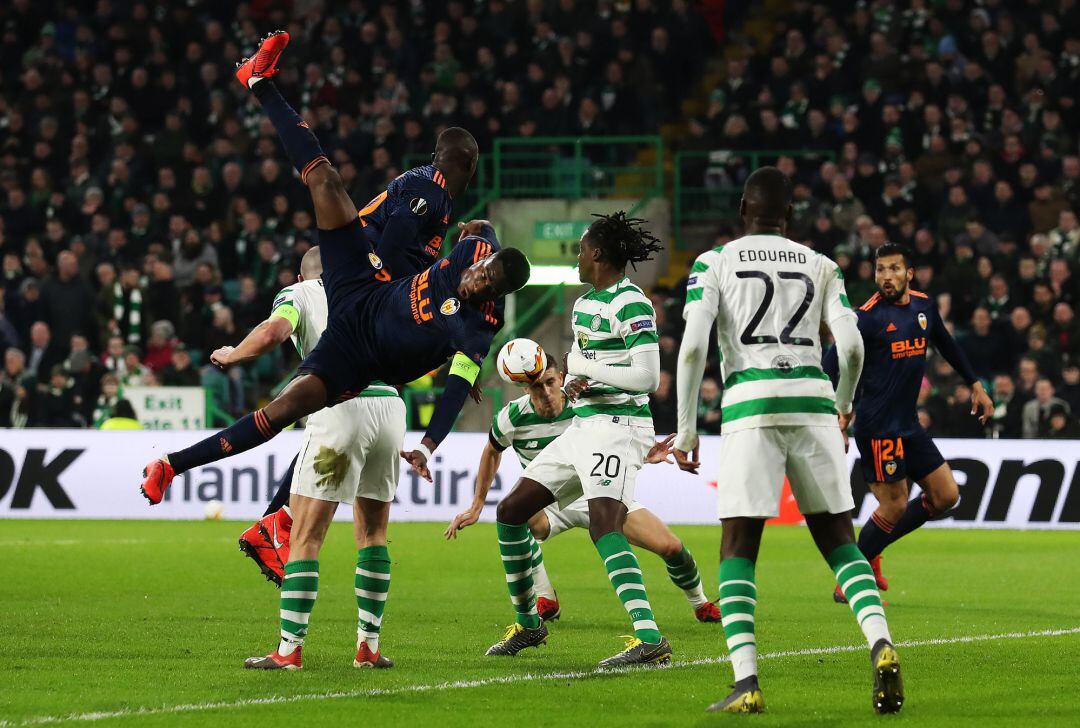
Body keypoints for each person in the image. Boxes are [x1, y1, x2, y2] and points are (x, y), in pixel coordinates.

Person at [137, 32, 530, 670]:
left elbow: (458, 380)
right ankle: (259, 82)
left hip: (360, 357)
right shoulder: (457, 228)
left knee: (286, 413)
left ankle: (296, 596)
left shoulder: (476, 325)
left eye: (486, 281)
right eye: (480, 268)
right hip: (363, 284)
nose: (476, 275)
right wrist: (466, 237)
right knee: (323, 180)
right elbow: (474, 234)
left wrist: (431, 442)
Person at [238, 35, 482, 573]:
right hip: (360, 290)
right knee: (340, 397)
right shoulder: (433, 192)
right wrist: (400, 297)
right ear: (467, 163)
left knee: (334, 398)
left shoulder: (429, 191)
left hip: (364, 291)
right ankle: (278, 523)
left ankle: (274, 520)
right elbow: (392, 245)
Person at [674, 166, 902, 714]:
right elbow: (850, 347)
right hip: (814, 401)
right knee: (839, 540)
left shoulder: (715, 261)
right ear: (791, 215)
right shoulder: (821, 264)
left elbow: (690, 349)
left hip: (752, 404)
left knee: (739, 545)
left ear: (742, 212)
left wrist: (685, 430)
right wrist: (843, 406)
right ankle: (881, 643)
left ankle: (746, 681)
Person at [485, 212, 671, 669]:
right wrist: (573, 383)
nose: (578, 258)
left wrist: (585, 370)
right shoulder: (584, 305)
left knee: (604, 524)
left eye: (583, 250)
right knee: (510, 513)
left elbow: (648, 376)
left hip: (620, 427)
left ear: (600, 255)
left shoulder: (633, 303)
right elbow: (594, 369)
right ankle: (530, 625)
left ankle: (650, 638)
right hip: (584, 426)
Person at [214, 246, 404, 669]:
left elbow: (273, 332)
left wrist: (233, 354)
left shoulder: (299, 294)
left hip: (339, 410)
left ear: (302, 276)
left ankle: (288, 650)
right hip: (390, 408)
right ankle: (368, 647)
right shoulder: (377, 288)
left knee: (306, 536)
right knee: (373, 533)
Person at [445, 362, 722, 623]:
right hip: (549, 503)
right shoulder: (512, 416)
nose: (547, 392)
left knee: (671, 547)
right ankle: (545, 598)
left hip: (602, 491)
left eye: (551, 382)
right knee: (517, 514)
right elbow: (491, 451)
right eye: (537, 386)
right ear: (525, 388)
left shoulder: (585, 406)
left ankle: (700, 603)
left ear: (561, 379)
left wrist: (644, 449)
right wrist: (477, 504)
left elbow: (620, 432)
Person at [823, 243, 993, 598]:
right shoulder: (865, 317)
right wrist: (836, 411)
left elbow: (946, 343)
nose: (886, 277)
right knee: (895, 504)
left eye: (894, 269)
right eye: (880, 269)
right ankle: (849, 580)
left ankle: (874, 548)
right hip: (877, 424)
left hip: (908, 424)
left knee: (946, 496)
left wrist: (975, 384)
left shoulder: (923, 305)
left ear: (909, 273)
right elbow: (830, 363)